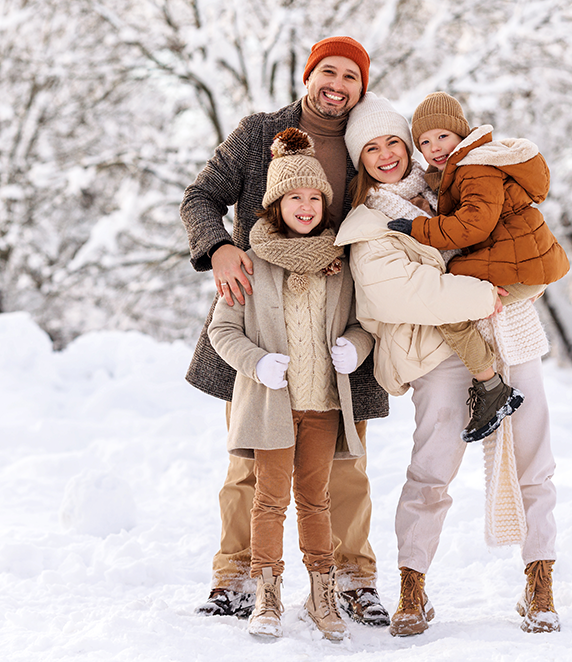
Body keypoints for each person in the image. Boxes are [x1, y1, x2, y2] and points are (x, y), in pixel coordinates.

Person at [180, 36, 391, 626]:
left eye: (351, 76)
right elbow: (200, 196)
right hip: (259, 317)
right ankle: (239, 577)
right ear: (307, 77)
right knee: (251, 457)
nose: (338, 84)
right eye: (328, 71)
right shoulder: (257, 133)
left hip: (339, 320)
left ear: (362, 88)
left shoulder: (363, 147)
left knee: (346, 463)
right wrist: (218, 247)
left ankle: (351, 578)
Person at [334, 93, 563, 636]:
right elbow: (403, 294)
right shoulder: (370, 222)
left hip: (512, 332)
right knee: (431, 468)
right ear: (359, 159)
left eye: (395, 141)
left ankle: (541, 582)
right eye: (372, 148)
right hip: (440, 349)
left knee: (536, 459)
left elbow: (509, 231)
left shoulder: (450, 182)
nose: (387, 154)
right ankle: (412, 586)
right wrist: (487, 292)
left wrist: (520, 278)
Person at [209, 129, 373, 640]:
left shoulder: (339, 264)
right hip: (273, 408)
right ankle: (267, 593)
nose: (305, 207)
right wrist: (256, 364)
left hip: (322, 403)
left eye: (314, 198)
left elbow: (362, 324)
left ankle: (322, 595)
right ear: (276, 205)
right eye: (294, 198)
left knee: (316, 499)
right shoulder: (250, 261)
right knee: (268, 500)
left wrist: (355, 347)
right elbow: (222, 330)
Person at [387, 91, 570, 443]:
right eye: (424, 141)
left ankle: (491, 387)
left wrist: (417, 228)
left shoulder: (474, 167)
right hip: (522, 258)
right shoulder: (462, 169)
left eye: (443, 136)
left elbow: (474, 225)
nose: (435, 146)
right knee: (453, 292)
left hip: (519, 261)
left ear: (461, 134)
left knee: (448, 301)